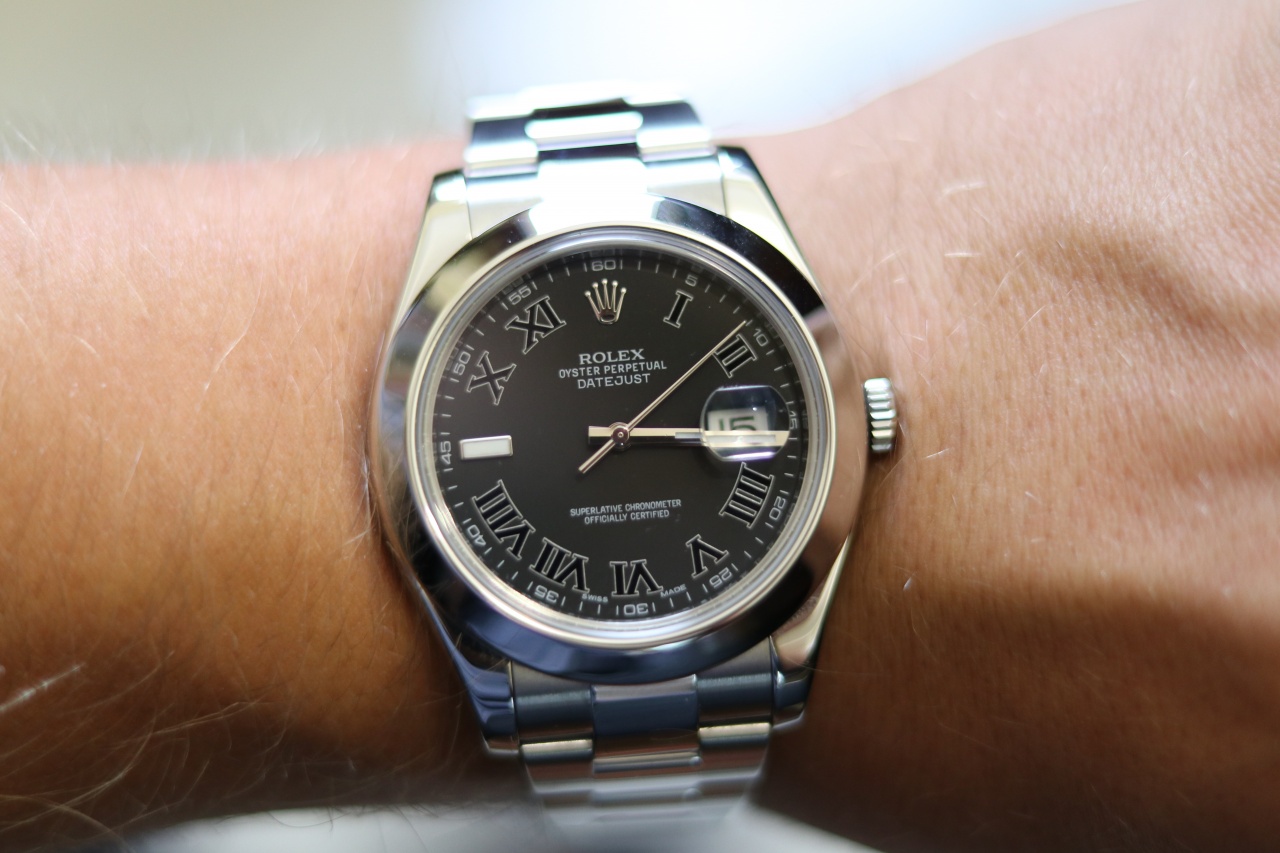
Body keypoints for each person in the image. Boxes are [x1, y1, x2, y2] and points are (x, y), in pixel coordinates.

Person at [2, 2, 1277, 851]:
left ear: (863, 421)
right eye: (606, 436)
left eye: (627, 432)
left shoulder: (796, 393)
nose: (612, 437)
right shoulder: (444, 432)